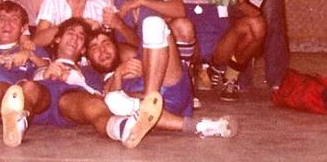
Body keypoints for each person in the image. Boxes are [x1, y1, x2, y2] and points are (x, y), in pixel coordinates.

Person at [0, 18, 164, 149]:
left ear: (83, 49)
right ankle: (16, 126)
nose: (75, 38)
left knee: (94, 105)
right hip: (40, 100)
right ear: (57, 39)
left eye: (80, 36)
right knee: (29, 88)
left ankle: (123, 130)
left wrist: (75, 79)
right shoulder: (42, 61)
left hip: (72, 102)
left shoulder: (89, 71)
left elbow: (100, 95)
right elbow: (24, 83)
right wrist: (45, 74)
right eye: (70, 32)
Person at [84, 29, 237, 138]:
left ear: (116, 47)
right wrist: (118, 74)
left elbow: (155, 54)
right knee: (113, 101)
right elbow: (107, 106)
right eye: (94, 47)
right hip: (152, 114)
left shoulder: (134, 56)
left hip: (171, 87)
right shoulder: (92, 78)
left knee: (154, 24)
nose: (102, 50)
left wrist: (146, 68)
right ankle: (203, 126)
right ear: (88, 58)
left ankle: (149, 101)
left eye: (105, 42)